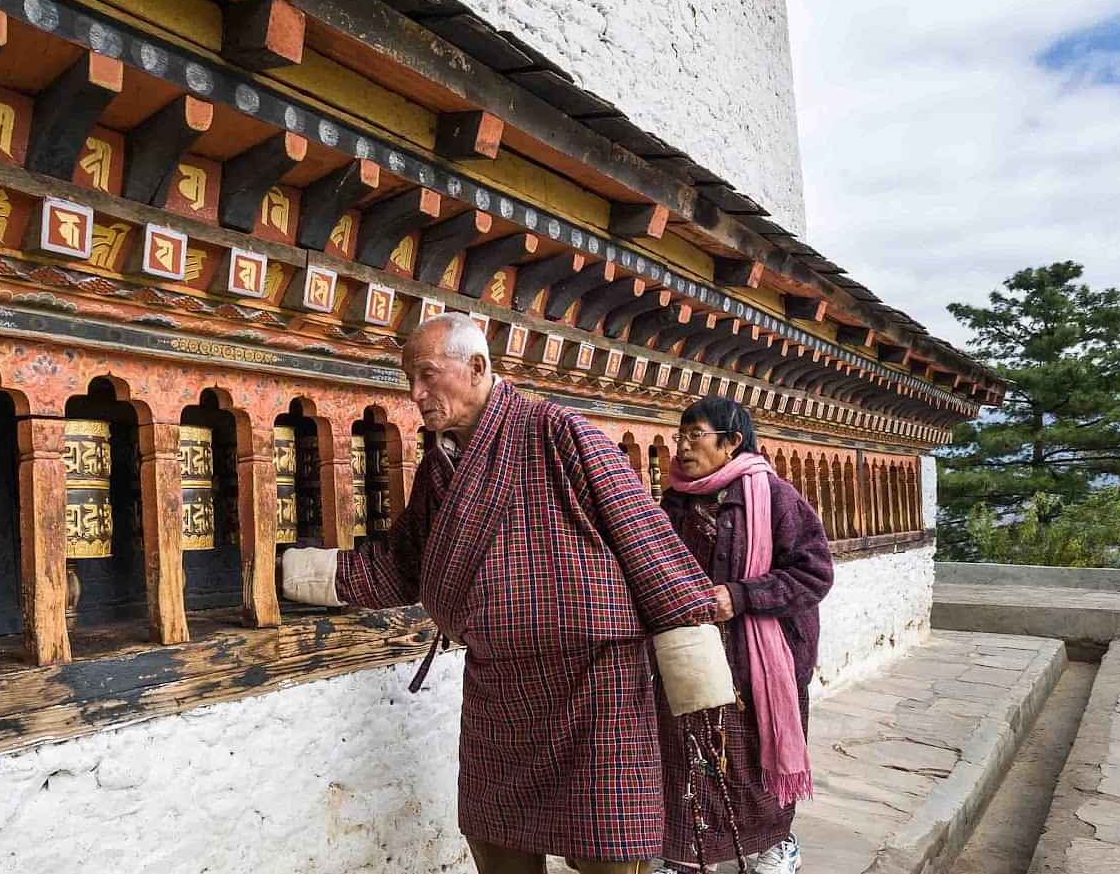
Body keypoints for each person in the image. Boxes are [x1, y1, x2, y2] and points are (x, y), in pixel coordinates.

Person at [279, 313, 722, 874]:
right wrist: (292, 574)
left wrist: (696, 669)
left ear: (477, 367)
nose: (416, 395)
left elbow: (644, 538)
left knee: (605, 850)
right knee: (497, 843)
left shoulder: (560, 431)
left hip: (594, 684)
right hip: (500, 685)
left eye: (427, 376)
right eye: (409, 381)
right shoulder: (440, 466)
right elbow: (401, 566)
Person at [653, 397, 835, 874]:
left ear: (732, 442)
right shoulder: (675, 499)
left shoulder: (774, 497)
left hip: (762, 656)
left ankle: (777, 842)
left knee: (754, 755)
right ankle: (688, 855)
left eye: (696, 434)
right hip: (693, 652)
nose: (683, 445)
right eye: (681, 434)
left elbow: (814, 574)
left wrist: (739, 596)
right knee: (688, 750)